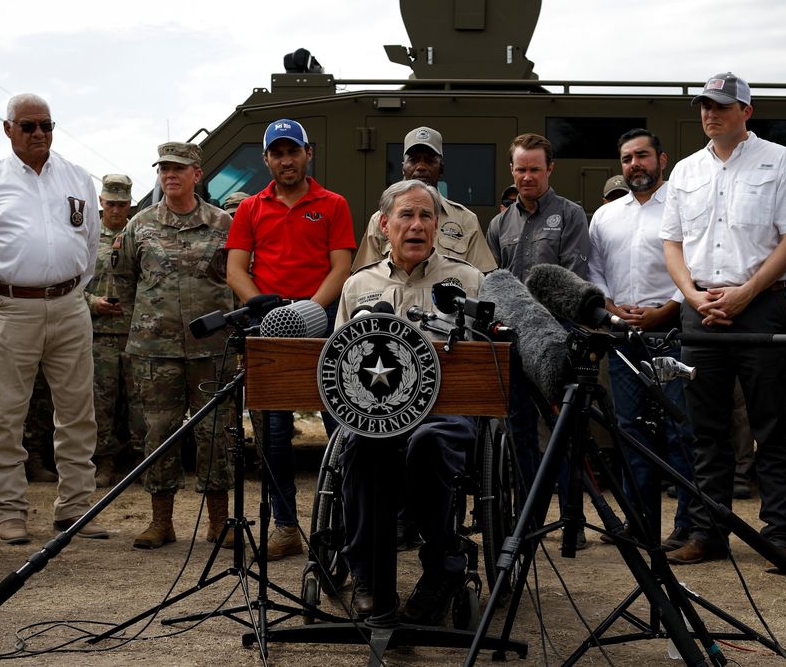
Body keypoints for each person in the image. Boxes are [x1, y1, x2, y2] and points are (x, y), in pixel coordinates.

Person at [660, 72, 786, 569]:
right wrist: (690, 296)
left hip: (759, 303)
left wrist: (748, 291)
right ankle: (707, 532)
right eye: (705, 105)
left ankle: (780, 535)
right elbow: (673, 243)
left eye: (722, 105)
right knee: (707, 431)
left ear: (746, 111)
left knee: (771, 425)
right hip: (700, 311)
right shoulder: (684, 171)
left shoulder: (779, 161)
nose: (710, 113)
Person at [336, 178, 484, 623]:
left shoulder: (469, 280)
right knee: (360, 445)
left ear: (438, 225)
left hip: (444, 414)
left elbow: (487, 364)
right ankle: (367, 576)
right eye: (406, 215)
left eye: (426, 216)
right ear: (384, 225)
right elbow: (339, 364)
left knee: (428, 445)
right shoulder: (358, 286)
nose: (416, 225)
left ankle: (443, 568)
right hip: (376, 415)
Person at [0, 93, 106, 545]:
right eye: (28, 126)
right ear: (8, 129)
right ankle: (10, 510)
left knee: (78, 413)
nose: (39, 134)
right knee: (5, 415)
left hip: (69, 307)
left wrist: (70, 294)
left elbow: (91, 248)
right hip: (11, 308)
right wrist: (2, 300)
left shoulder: (78, 177)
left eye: (46, 125)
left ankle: (76, 509)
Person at [225, 118, 355, 559]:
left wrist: (312, 310)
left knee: (339, 429)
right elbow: (236, 270)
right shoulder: (249, 209)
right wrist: (267, 309)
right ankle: (285, 527)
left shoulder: (333, 204)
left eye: (293, 151)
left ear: (307, 153)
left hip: (322, 325)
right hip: (269, 328)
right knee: (274, 435)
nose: (286, 160)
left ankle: (340, 526)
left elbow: (341, 267)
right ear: (266, 159)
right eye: (277, 153)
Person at [117, 143, 238, 550]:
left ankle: (219, 522)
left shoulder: (223, 223)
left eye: (179, 168)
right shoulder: (140, 225)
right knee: (158, 432)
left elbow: (237, 278)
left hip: (212, 349)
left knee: (216, 433)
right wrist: (147, 326)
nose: (170, 175)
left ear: (197, 174)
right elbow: (125, 281)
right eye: (165, 168)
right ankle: (161, 523)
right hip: (156, 349)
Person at [588, 129, 693, 551]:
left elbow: (694, 262)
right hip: (623, 336)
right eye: (628, 158)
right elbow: (594, 269)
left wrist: (667, 307)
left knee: (679, 430)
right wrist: (611, 307)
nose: (636, 164)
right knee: (631, 430)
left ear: (662, 159)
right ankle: (640, 522)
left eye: (643, 156)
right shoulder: (606, 215)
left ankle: (688, 526)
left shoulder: (683, 207)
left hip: (670, 331)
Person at [486, 133, 590, 521]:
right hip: (512, 344)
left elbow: (572, 281)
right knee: (519, 432)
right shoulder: (498, 224)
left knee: (563, 431)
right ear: (511, 170)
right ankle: (527, 517)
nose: (527, 176)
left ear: (550, 169)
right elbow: (496, 281)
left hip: (556, 339)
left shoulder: (571, 214)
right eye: (520, 169)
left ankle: (571, 519)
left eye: (534, 169)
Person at [352, 126, 496, 272]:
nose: (421, 166)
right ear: (403, 167)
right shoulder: (381, 219)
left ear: (441, 167)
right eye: (413, 160)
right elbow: (366, 278)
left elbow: (483, 277)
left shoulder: (465, 219)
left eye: (429, 160)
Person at [85, 173, 145, 487]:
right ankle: (104, 462)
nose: (117, 210)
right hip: (99, 334)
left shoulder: (142, 234)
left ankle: (142, 461)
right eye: (110, 203)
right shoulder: (86, 236)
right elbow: (69, 283)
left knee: (141, 402)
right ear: (101, 201)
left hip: (136, 332)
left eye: (122, 204)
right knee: (100, 402)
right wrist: (94, 302)